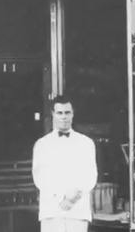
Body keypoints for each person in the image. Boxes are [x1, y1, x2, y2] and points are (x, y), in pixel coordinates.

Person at [32, 96, 98, 232]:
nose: (64, 117)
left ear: (73, 114)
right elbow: (40, 178)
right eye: (59, 113)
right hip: (52, 210)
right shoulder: (42, 144)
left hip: (78, 210)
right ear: (53, 114)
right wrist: (61, 197)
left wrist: (73, 198)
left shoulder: (86, 143)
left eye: (67, 113)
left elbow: (90, 175)